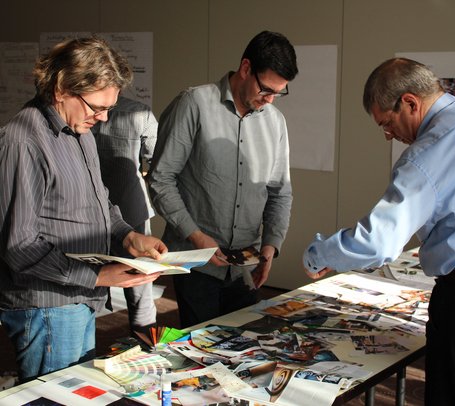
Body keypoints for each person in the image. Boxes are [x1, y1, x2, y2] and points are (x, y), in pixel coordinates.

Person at [303, 58, 455, 405]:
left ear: (410, 102)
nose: (388, 134)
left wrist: (318, 254)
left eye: (386, 122)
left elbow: (379, 242)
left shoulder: (428, 152)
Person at [0, 37, 167, 383]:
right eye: (97, 107)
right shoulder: (22, 141)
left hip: (78, 300)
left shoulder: (80, 131)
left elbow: (100, 200)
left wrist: (129, 235)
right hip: (47, 308)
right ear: (61, 88)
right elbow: (19, 247)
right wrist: (98, 276)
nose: (104, 118)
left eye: (109, 108)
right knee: (57, 397)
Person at [148, 30, 298, 328]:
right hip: (197, 263)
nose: (270, 100)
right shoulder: (194, 104)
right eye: (266, 90)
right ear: (245, 68)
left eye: (278, 94)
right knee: (200, 353)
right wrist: (197, 236)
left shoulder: (275, 122)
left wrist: (271, 244)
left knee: (242, 349)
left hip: (246, 265)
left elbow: (280, 192)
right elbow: (160, 178)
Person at [92, 95, 158, 335]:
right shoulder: (140, 112)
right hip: (130, 209)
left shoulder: (77, 110)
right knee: (140, 285)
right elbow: (157, 163)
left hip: (87, 210)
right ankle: (147, 345)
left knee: (87, 279)